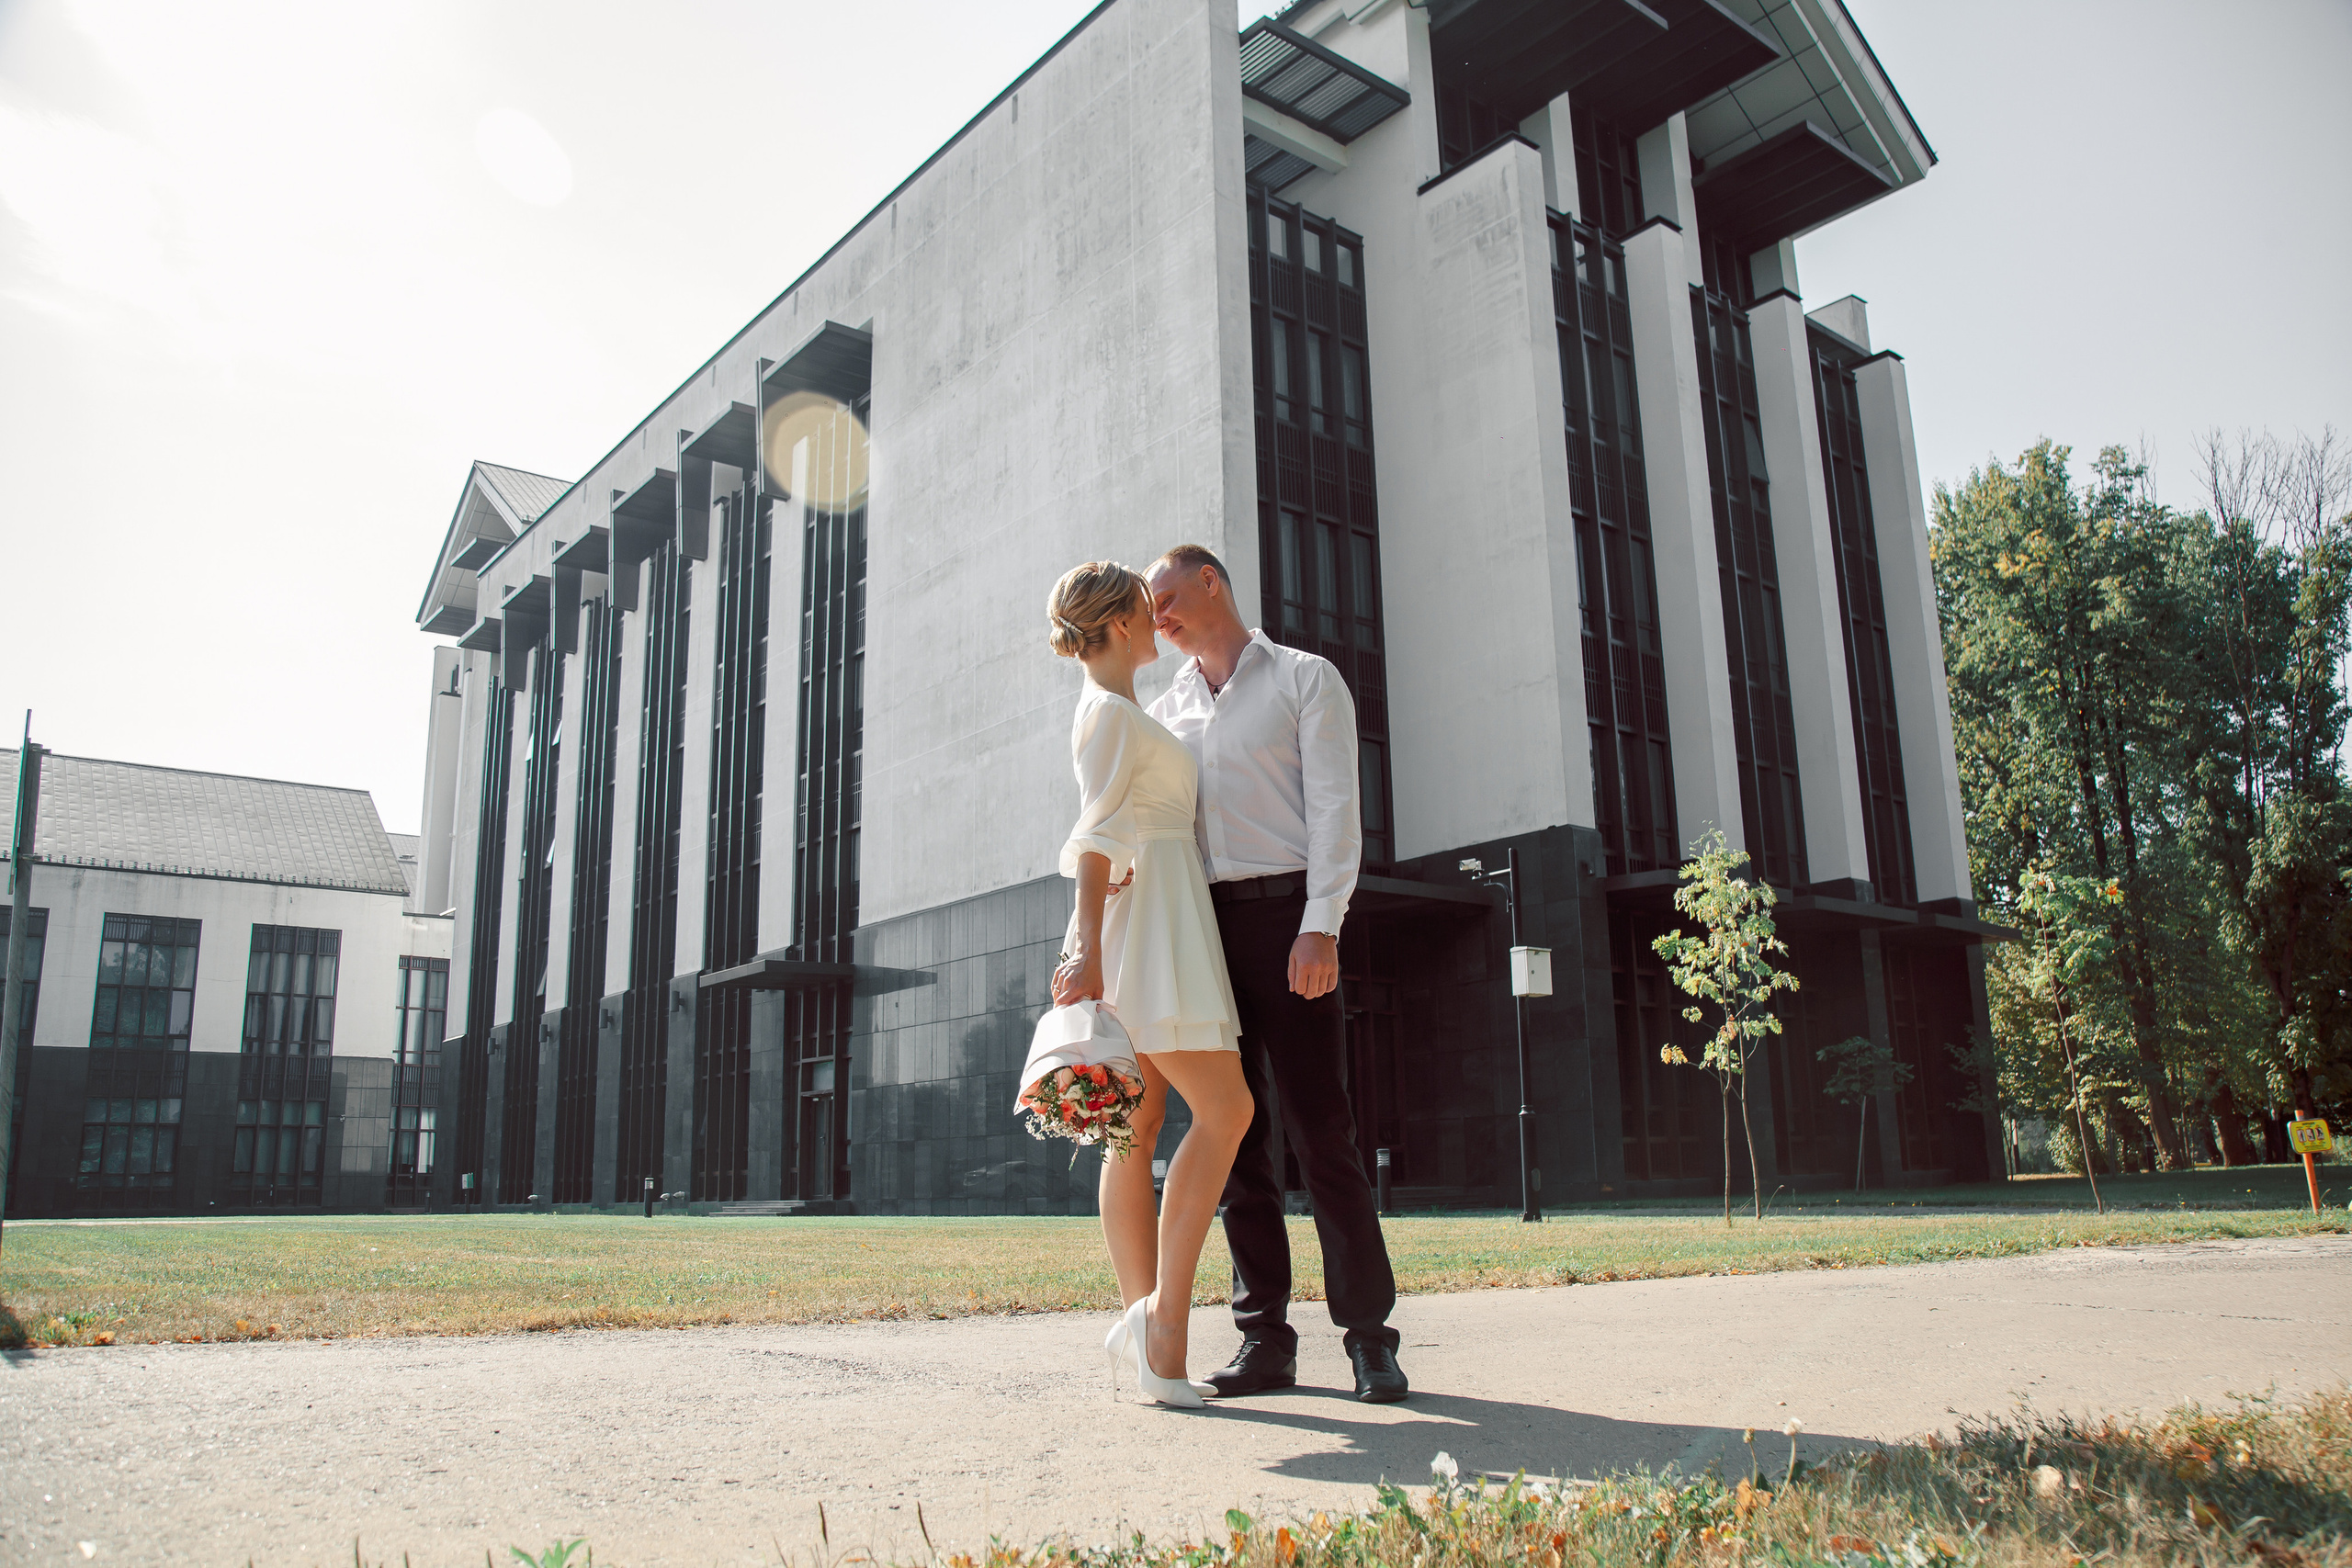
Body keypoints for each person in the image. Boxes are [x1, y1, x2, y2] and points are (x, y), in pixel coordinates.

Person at [1143, 544, 1408, 1404]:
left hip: (1288, 919)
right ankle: (1265, 1339)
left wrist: (1319, 924)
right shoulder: (1168, 708)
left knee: (1320, 1129)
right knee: (1236, 1140)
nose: (1161, 619)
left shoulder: (1304, 677)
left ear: (1212, 579)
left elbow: (1336, 807)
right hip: (1202, 928)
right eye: (1153, 609)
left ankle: (1369, 1337)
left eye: (1170, 598)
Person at [1046, 559, 1257, 1409]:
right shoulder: (1105, 712)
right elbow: (1093, 838)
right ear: (1125, 622)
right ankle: (1162, 1320)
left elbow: (1119, 832)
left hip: (1162, 905)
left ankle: (1148, 1338)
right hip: (1147, 927)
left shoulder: (1123, 707)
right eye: (1150, 604)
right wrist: (1091, 950)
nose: (1160, 615)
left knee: (1139, 1122)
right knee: (1227, 1110)